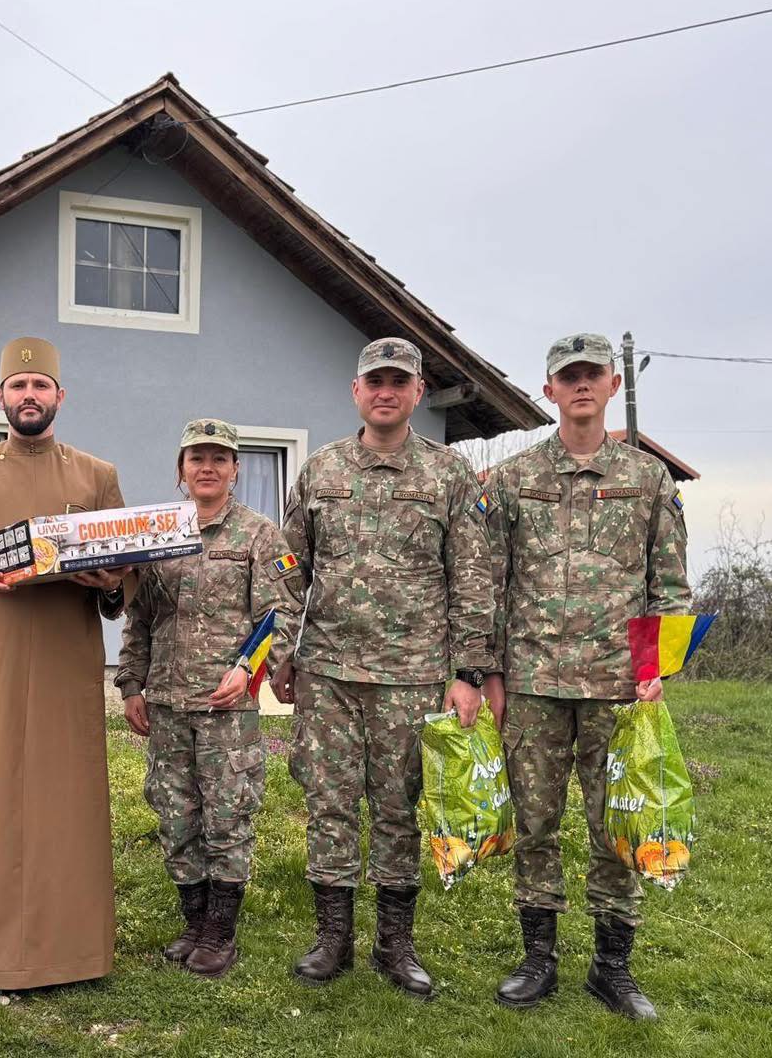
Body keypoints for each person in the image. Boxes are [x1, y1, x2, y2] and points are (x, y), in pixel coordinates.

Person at [273, 338, 494, 995]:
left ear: (418, 392)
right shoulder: (319, 471)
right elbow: (289, 573)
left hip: (412, 675)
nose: (386, 392)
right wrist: (280, 654)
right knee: (329, 804)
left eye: (399, 382)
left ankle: (395, 946)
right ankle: (332, 940)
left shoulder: (448, 476)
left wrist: (469, 673)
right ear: (356, 391)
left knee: (398, 808)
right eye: (375, 381)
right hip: (328, 673)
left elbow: (472, 579)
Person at [0, 336, 131, 990]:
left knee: (68, 797)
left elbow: (126, 570)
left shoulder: (97, 475)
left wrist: (111, 582)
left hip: (67, 660)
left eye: (40, 386)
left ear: (59, 396)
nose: (29, 396)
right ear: (1, 395)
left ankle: (72, 949)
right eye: (18, 386)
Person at [484, 333, 689, 1020]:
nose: (579, 385)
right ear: (548, 390)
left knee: (617, 825)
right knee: (535, 824)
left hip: (618, 687)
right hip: (533, 684)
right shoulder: (511, 480)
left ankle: (612, 967)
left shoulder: (647, 479)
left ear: (611, 385)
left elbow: (670, 587)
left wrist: (656, 669)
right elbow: (489, 582)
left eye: (591, 374)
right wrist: (488, 672)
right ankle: (537, 958)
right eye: (566, 375)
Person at [115, 418, 302, 977]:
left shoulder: (258, 535)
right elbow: (139, 617)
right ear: (181, 469)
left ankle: (221, 931)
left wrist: (248, 668)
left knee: (227, 815)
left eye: (220, 458)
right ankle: (194, 922)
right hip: (167, 703)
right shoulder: (159, 533)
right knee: (175, 816)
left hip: (226, 706)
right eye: (197, 458)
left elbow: (282, 612)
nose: (208, 468)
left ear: (235, 469)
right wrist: (131, 684)